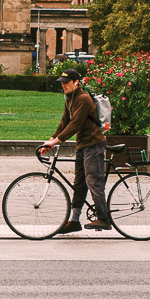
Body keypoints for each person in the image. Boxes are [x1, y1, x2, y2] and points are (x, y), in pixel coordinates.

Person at [40, 65, 109, 233]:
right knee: (79, 184)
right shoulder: (69, 99)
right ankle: (75, 221)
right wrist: (50, 140)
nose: (63, 85)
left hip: (93, 144)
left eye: (66, 82)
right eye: (62, 82)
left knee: (93, 181)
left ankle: (104, 219)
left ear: (76, 82)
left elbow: (75, 124)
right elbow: (64, 122)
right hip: (83, 145)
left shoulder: (83, 99)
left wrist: (56, 142)